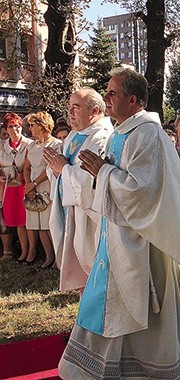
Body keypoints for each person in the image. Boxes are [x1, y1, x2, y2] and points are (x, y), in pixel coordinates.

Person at [58, 68, 180, 378]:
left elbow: (142, 191)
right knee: (108, 304)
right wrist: (100, 174)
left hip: (146, 243)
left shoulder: (146, 134)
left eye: (113, 93)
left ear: (133, 99)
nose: (107, 98)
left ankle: (150, 370)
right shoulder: (123, 132)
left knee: (144, 313)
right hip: (119, 238)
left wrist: (103, 173)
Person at [44, 87, 113, 292]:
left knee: (94, 272)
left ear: (95, 111)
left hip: (89, 217)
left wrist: (62, 168)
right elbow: (62, 169)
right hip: (72, 212)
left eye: (76, 107)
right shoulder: (74, 136)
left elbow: (89, 180)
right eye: (69, 107)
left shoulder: (102, 137)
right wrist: (56, 169)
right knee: (81, 277)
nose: (70, 112)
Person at [22, 111, 61, 268]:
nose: (30, 128)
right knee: (38, 225)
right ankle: (48, 257)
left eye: (32, 125)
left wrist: (35, 183)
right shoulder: (31, 145)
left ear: (42, 125)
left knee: (50, 224)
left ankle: (59, 258)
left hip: (48, 185)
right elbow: (26, 167)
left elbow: (51, 167)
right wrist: (28, 184)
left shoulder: (56, 144)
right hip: (33, 188)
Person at [0, 113, 33, 262]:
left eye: (17, 126)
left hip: (25, 186)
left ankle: (30, 251)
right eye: (11, 126)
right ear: (6, 129)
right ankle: (22, 252)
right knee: (16, 221)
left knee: (27, 221)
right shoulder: (1, 146)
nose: (14, 129)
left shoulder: (29, 144)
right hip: (8, 188)